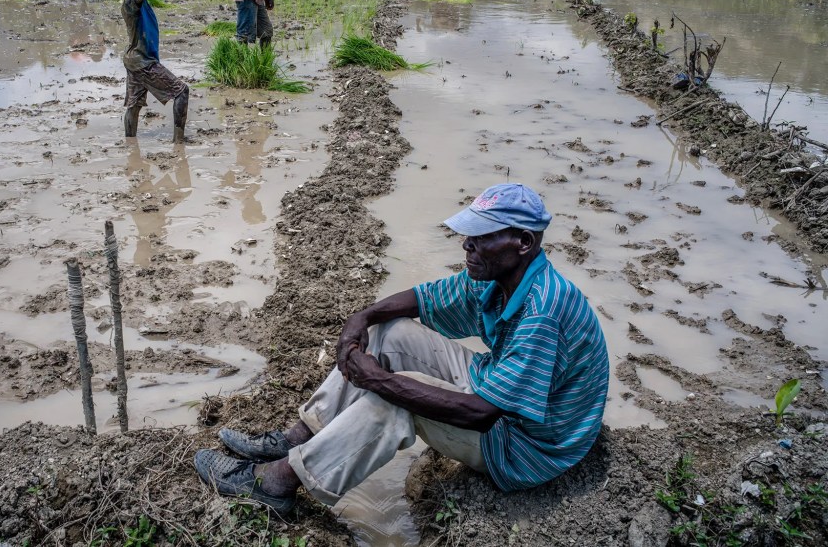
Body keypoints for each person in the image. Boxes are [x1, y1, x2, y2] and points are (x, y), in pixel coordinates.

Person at [194, 183, 609, 514]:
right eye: (468, 235)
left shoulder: (543, 309)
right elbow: (428, 297)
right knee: (388, 331)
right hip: (499, 390)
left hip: (527, 445)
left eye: (481, 237)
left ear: (522, 242)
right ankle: (297, 439)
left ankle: (276, 483)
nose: (467, 245)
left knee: (396, 396)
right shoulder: (501, 277)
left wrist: (379, 380)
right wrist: (362, 319)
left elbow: (483, 414)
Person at [120, 0, 189, 143]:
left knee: (134, 106)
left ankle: (130, 143)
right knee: (182, 92)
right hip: (143, 62)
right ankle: (178, 142)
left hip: (134, 60)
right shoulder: (131, 2)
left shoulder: (141, 3)